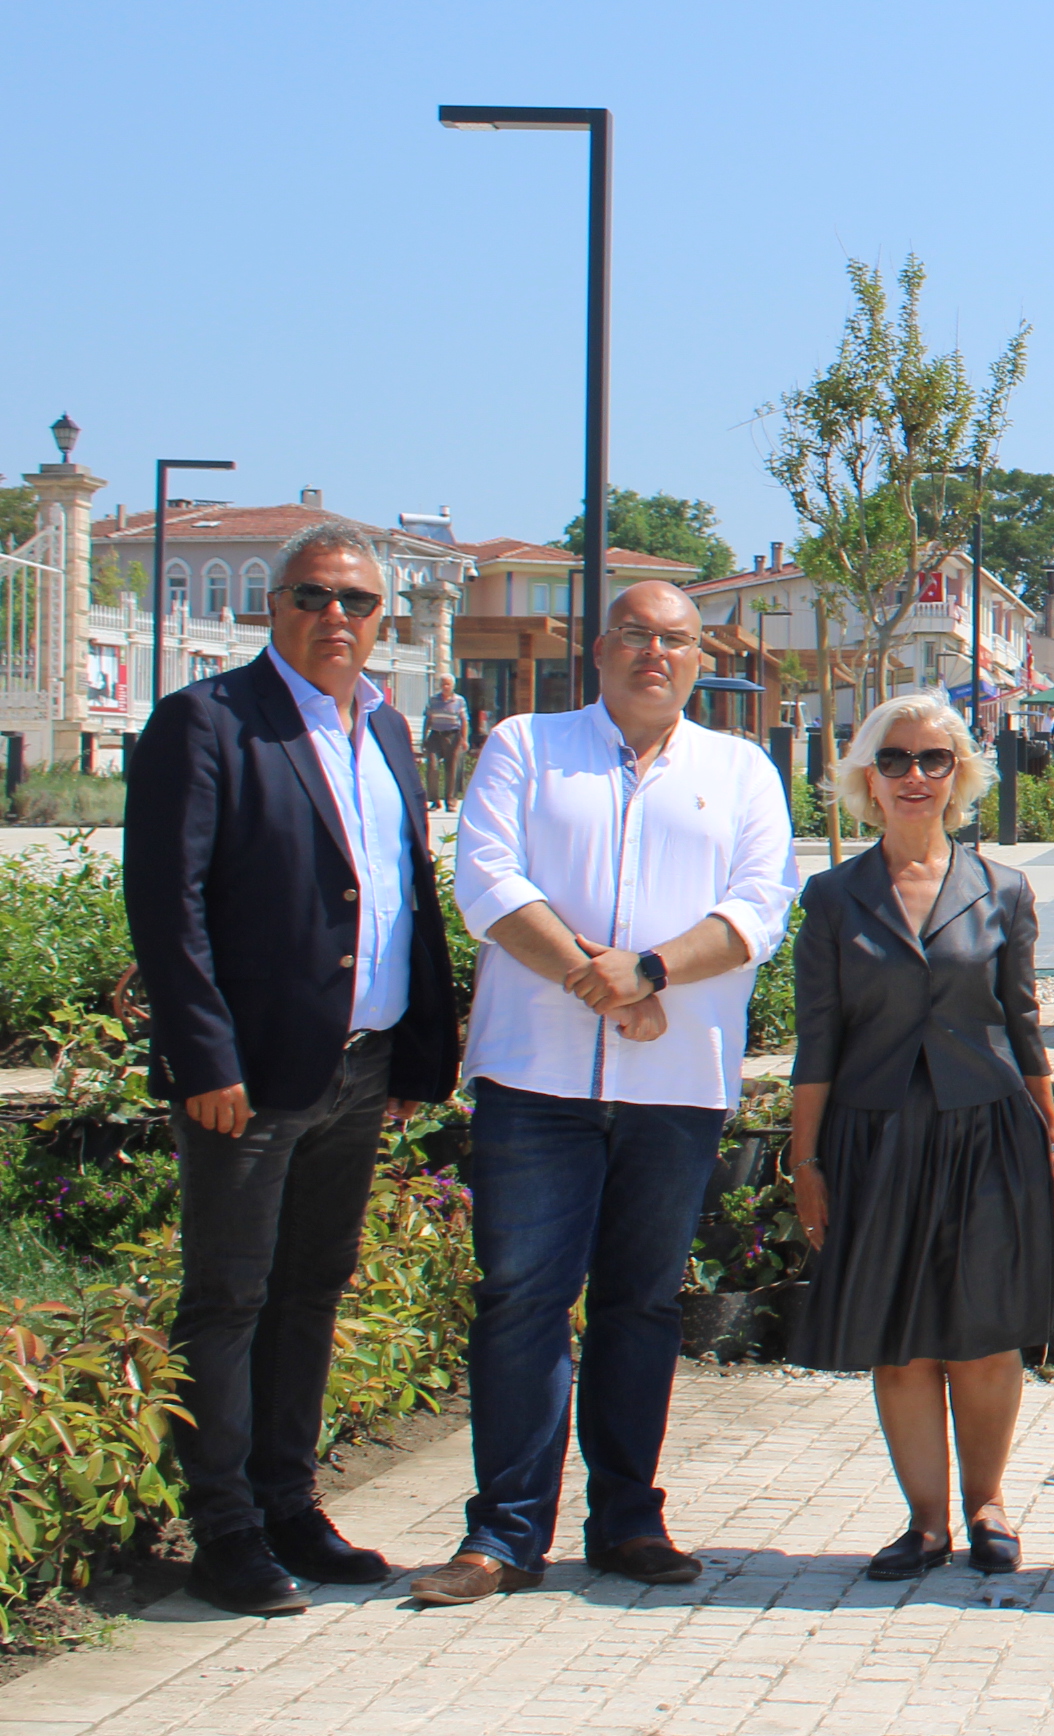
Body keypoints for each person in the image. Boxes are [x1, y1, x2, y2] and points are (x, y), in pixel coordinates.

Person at [423, 582, 795, 1607]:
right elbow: (488, 882)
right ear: (599, 648)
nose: (655, 654)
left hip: (675, 1084)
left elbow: (760, 908)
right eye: (636, 634)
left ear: (698, 655)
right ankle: (502, 1533)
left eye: (676, 639)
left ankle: (628, 1518)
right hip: (535, 1078)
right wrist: (604, 975)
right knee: (522, 1302)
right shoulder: (525, 746)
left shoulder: (741, 769)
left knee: (639, 1304)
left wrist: (652, 974)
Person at [121, 522, 461, 1616]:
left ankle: (288, 1503)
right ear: (275, 606)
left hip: (359, 1069)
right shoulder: (209, 721)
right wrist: (201, 1054)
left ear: (381, 619)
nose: (337, 619)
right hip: (250, 1075)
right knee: (225, 1296)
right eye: (314, 596)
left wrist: (412, 1048)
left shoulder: (389, 730)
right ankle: (221, 1526)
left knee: (309, 1291)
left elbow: (398, 890)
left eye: (358, 602)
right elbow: (166, 905)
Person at [786, 696, 1054, 1583]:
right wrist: (805, 1161)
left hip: (985, 1131)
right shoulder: (833, 897)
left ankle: (988, 1504)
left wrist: (1051, 1144)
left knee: (983, 1333)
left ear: (959, 776)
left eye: (934, 760)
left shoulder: (1004, 888)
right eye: (897, 758)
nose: (915, 775)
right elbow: (816, 1038)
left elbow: (1025, 1027)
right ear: (867, 776)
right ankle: (926, 1521)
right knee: (900, 1341)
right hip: (874, 1139)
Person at [417, 679, 470, 805]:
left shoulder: (459, 700)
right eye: (443, 684)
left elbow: (464, 721)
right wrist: (424, 737)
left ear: (453, 686)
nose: (445, 687)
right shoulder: (433, 700)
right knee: (432, 766)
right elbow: (428, 719)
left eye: (448, 684)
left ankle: (451, 800)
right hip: (435, 735)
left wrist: (464, 739)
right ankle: (434, 800)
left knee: (452, 768)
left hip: (453, 735)